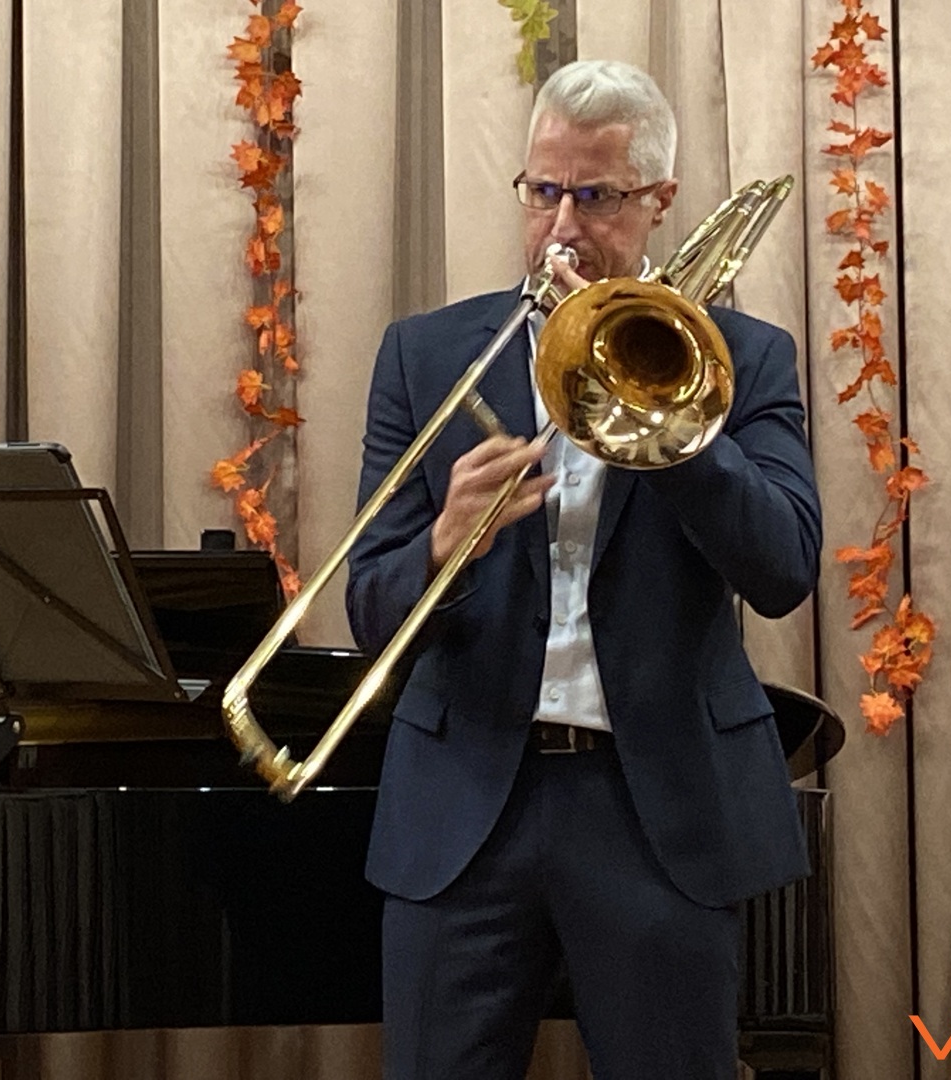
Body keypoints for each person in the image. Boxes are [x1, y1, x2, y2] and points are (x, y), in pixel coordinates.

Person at [345, 59, 822, 1080]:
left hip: (657, 813)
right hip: (466, 811)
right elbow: (371, 607)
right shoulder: (425, 355)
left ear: (658, 201)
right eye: (542, 191)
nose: (561, 226)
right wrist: (441, 547)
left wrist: (670, 427)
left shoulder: (741, 358)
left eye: (595, 196)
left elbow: (784, 565)